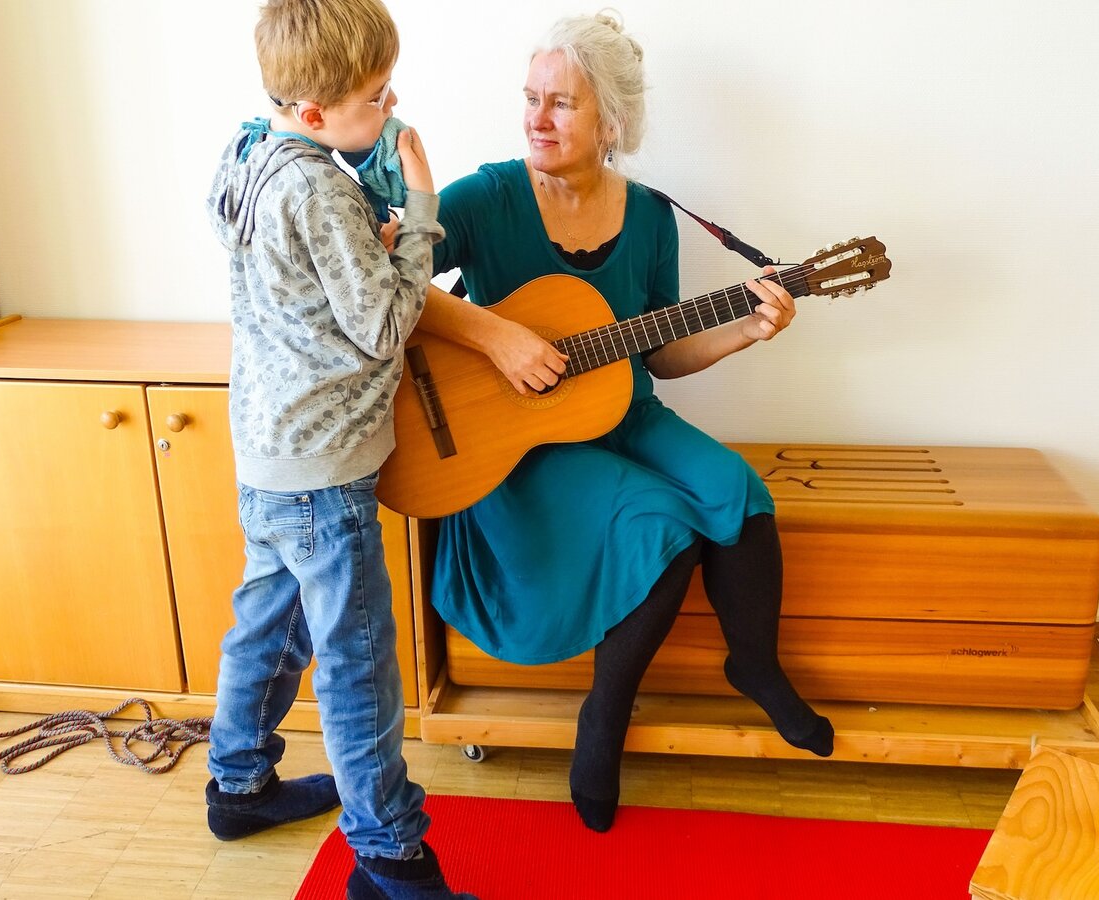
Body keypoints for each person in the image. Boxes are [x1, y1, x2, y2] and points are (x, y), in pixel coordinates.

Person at [415, 11, 835, 833]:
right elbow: (387, 284)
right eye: (530, 98)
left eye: (560, 104)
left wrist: (747, 328)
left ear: (612, 122)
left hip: (620, 409)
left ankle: (754, 664)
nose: (537, 119)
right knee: (661, 523)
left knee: (736, 490)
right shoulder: (482, 198)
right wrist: (497, 335)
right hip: (515, 436)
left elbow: (660, 351)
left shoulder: (649, 216)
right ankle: (602, 721)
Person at [204, 1, 475, 897]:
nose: (390, 107)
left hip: (267, 454)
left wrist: (372, 241)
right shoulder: (320, 184)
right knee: (358, 665)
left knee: (266, 626)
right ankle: (392, 856)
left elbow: (300, 279)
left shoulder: (248, 150)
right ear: (315, 114)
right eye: (374, 95)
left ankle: (238, 785)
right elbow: (385, 326)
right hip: (327, 471)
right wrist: (421, 215)